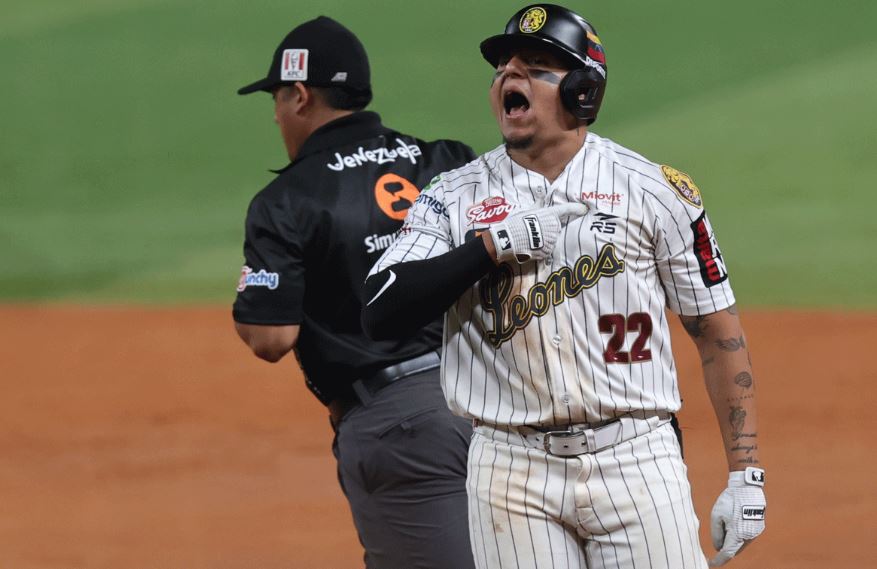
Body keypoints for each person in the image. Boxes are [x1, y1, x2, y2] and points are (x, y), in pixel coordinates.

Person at [362, 4, 765, 568]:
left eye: (535, 66)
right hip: (509, 470)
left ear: (583, 92)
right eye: (503, 66)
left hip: (638, 460)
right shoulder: (451, 198)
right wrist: (488, 248)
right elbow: (381, 312)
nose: (509, 76)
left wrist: (746, 473)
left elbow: (717, 331)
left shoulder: (654, 192)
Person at [232, 16, 478, 569]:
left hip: (403, 428)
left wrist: (249, 295)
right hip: (500, 398)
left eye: (276, 98)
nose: (275, 114)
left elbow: (271, 337)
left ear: (300, 95)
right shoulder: (447, 160)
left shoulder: (286, 200)